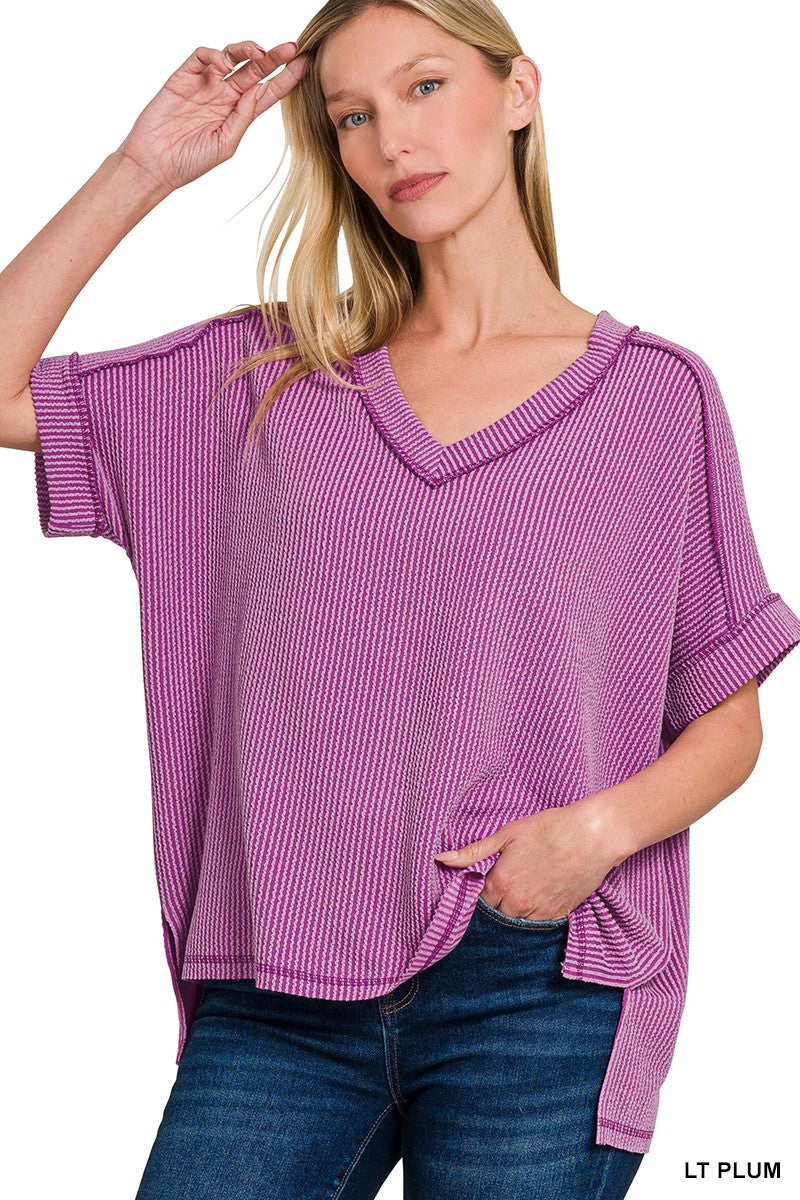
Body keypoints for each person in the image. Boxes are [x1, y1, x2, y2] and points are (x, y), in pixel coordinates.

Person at [1, 2, 798, 1197]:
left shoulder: (653, 398)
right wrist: (141, 168)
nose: (391, 142)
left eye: (424, 87)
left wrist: (586, 840)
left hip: (535, 984)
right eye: (351, 116)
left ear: (517, 92)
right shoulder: (259, 383)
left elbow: (724, 722)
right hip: (273, 990)